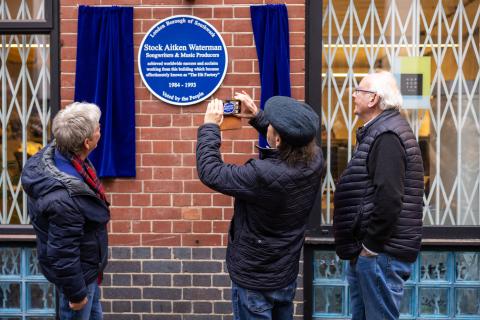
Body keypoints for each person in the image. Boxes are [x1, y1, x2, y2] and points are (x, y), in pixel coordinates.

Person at [196, 93, 325, 320]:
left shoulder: (262, 174)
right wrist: (258, 117)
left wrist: (210, 127)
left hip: (254, 280)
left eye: (272, 126)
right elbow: (290, 140)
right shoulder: (315, 161)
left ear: (277, 140)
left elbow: (211, 172)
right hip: (284, 274)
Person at [333, 71, 424, 320]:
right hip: (375, 254)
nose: (352, 94)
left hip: (380, 255)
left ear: (373, 99)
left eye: (358, 90)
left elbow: (390, 198)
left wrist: (370, 247)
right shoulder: (381, 131)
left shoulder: (387, 135)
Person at [21, 102, 110, 320]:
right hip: (77, 278)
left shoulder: (63, 157)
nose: (101, 130)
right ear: (87, 142)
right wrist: (77, 295)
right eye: (98, 128)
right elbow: (62, 251)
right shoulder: (64, 198)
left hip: (88, 271)